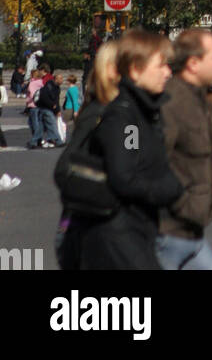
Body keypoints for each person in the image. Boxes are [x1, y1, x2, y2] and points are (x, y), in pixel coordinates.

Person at [58, 30, 182, 270]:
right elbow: (125, 175)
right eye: (161, 65)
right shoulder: (125, 117)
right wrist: (170, 188)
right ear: (135, 70)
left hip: (131, 232)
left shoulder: (136, 113)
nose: (168, 72)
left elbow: (132, 159)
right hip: (119, 237)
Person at [155, 28, 212, 271]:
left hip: (190, 232)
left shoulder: (199, 99)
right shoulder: (172, 102)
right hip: (167, 232)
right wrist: (181, 205)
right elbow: (150, 163)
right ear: (194, 63)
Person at [55, 42, 121, 269]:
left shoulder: (124, 112)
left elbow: (133, 153)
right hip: (90, 227)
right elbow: (65, 168)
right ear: (112, 70)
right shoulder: (100, 113)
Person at [37, 69, 64, 148]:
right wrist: (52, 105)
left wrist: (58, 110)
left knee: (41, 127)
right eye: (60, 78)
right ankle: (59, 141)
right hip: (46, 108)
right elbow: (44, 97)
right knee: (52, 124)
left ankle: (34, 141)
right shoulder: (48, 86)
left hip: (49, 108)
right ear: (55, 79)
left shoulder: (57, 88)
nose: (62, 80)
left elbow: (57, 100)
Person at [25, 63, 47, 148]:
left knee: (33, 123)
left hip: (32, 104)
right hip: (40, 104)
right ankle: (38, 139)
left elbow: (30, 93)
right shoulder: (42, 82)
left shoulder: (32, 83)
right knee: (38, 122)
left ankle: (35, 139)